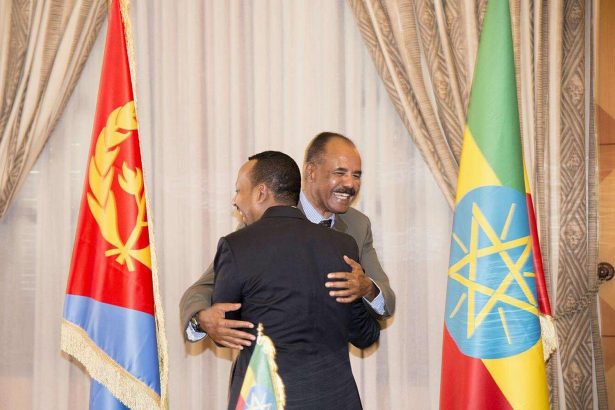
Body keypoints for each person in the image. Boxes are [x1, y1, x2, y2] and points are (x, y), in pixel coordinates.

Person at [180, 132, 395, 348]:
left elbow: (386, 302)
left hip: (325, 363)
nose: (350, 184)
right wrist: (201, 319)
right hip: (265, 361)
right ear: (311, 172)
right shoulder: (266, 214)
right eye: (340, 173)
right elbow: (205, 287)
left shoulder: (358, 225)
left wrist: (368, 288)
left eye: (356, 175)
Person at [212, 151, 379, 407]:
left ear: (261, 193)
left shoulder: (236, 246)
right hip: (335, 400)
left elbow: (227, 329)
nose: (235, 200)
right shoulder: (342, 245)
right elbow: (365, 335)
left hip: (267, 399)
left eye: (239, 191)